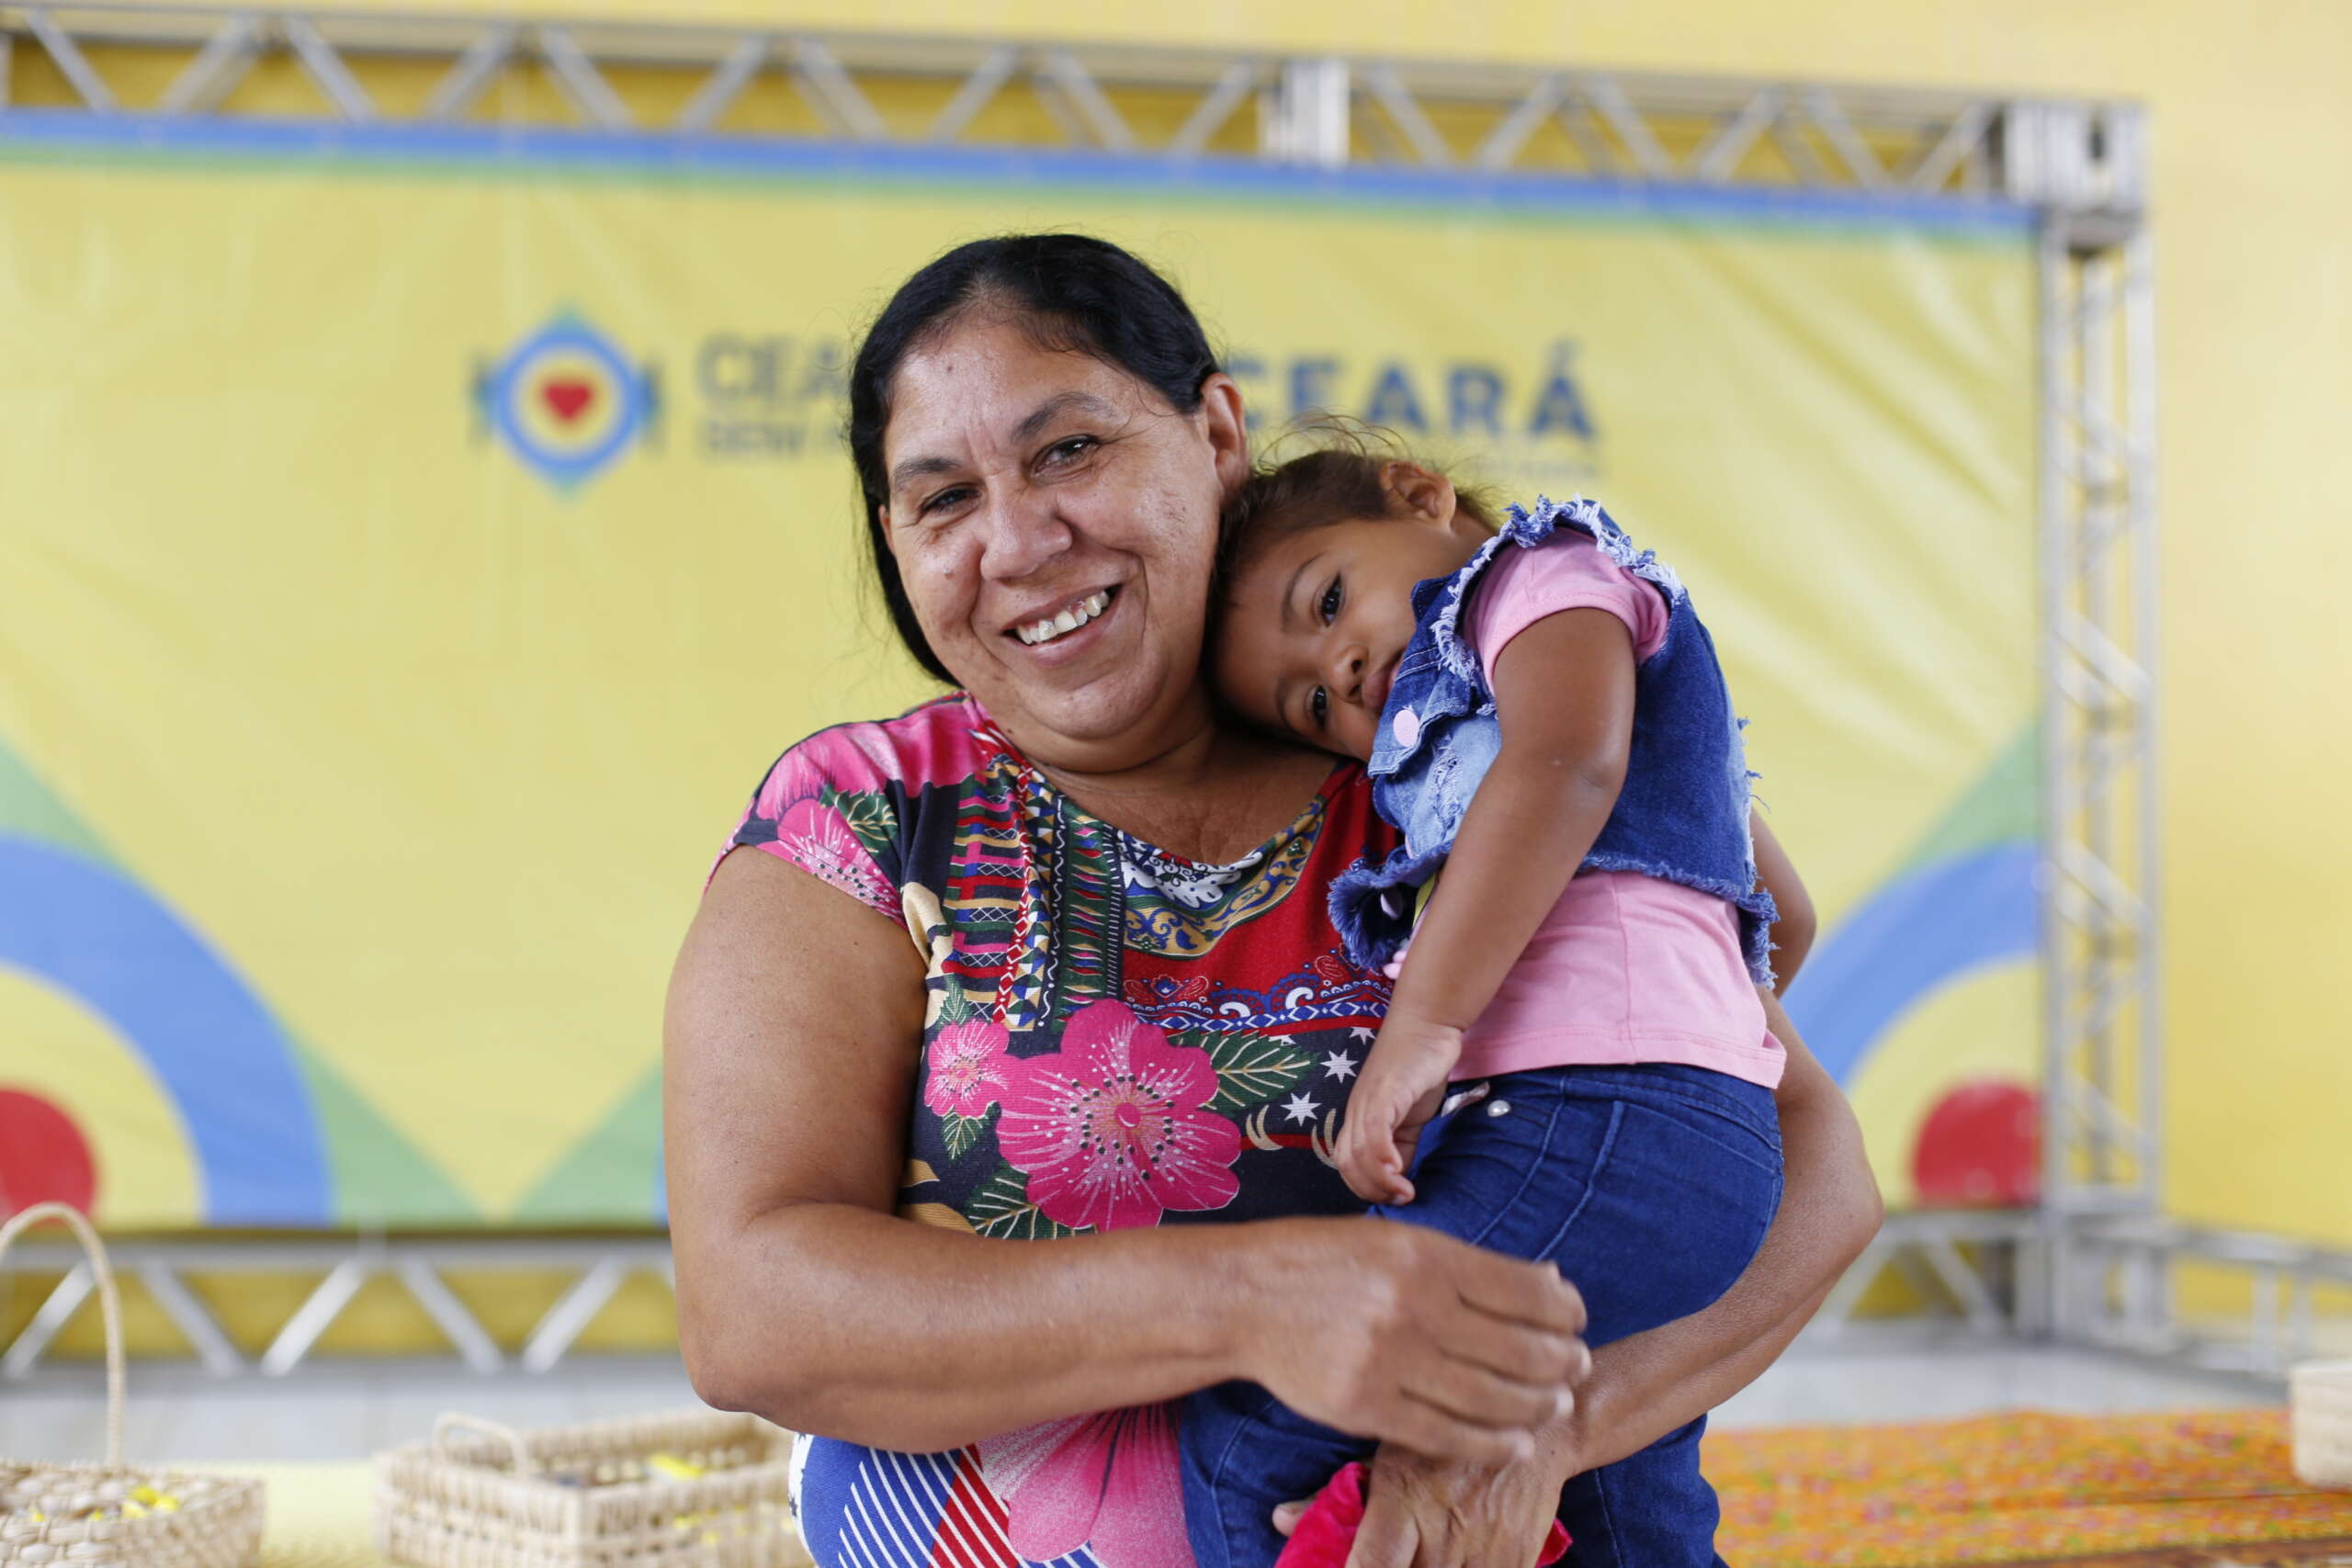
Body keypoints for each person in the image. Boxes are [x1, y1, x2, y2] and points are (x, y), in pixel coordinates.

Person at [663, 233, 1883, 1568]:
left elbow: (1813, 1162)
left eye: (1070, 449)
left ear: (1217, 429)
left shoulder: (1443, 766)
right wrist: (1250, 1303)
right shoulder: (864, 817)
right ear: (898, 543)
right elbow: (752, 1307)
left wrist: (1538, 1429)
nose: (1019, 538)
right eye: (943, 498)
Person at [1190, 443, 1796, 1566]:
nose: (1346, 666)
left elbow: (1566, 765)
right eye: (1311, 700)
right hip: (1666, 1128)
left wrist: (1424, 1030)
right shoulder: (1478, 726)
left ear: (1417, 493)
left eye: (1327, 599)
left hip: (1598, 1118)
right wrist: (1697, 1027)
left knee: (1255, 1439)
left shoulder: (1537, 572)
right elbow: (1784, 912)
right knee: (1620, 1509)